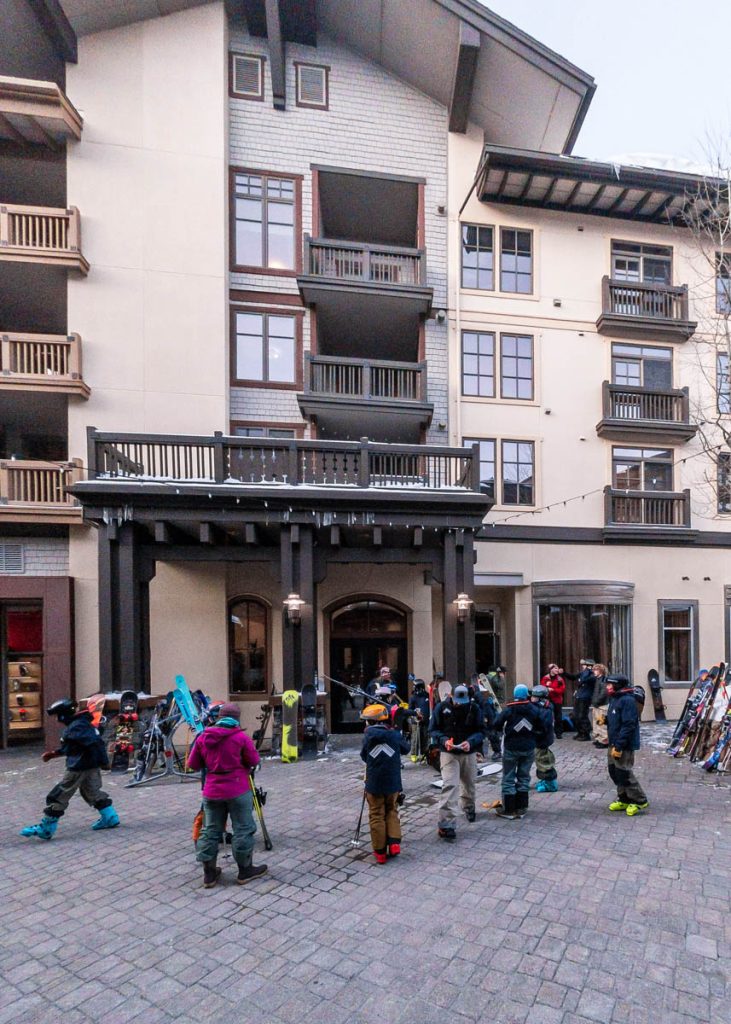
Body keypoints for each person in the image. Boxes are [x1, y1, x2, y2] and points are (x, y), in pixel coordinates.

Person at [187, 702, 267, 888]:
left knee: (210, 830)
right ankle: (245, 870)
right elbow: (254, 760)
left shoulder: (203, 737)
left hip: (212, 791)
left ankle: (209, 874)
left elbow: (193, 764)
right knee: (243, 828)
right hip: (238, 789)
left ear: (219, 717)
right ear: (237, 719)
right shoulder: (241, 737)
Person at [21, 698, 120, 840]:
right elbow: (75, 746)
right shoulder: (82, 723)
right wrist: (55, 754)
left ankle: (46, 828)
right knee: (91, 791)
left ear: (64, 714)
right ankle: (110, 817)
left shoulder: (77, 726)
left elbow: (94, 744)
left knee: (59, 794)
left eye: (58, 716)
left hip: (78, 766)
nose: (57, 720)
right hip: (90, 765)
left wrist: (104, 762)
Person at [429, 683, 484, 841]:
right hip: (448, 753)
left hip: (468, 752)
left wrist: (471, 742)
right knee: (450, 785)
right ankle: (446, 825)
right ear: (451, 696)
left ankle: (469, 807)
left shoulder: (474, 708)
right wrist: (444, 740)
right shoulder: (441, 708)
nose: (460, 704)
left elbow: (481, 730)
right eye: (457, 701)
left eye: (463, 701)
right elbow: (433, 729)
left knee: (469, 783)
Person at [360, 703, 411, 864]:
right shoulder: (394, 734)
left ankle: (380, 852)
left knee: (376, 814)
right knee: (392, 810)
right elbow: (406, 749)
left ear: (370, 721)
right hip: (393, 782)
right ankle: (394, 844)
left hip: (374, 782)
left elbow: (364, 756)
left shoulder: (368, 736)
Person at [492, 684, 547, 820]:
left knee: (508, 778)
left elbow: (496, 724)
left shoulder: (509, 709)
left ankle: (509, 810)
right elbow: (542, 728)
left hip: (511, 748)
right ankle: (522, 808)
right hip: (528, 748)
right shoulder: (534, 709)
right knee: (524, 777)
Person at [606, 674, 649, 817]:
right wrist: (605, 720)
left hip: (623, 744)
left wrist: (619, 746)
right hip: (614, 742)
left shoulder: (627, 700)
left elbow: (629, 725)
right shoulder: (615, 698)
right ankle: (624, 798)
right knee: (614, 771)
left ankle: (639, 800)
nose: (607, 687)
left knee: (623, 773)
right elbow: (616, 717)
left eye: (610, 684)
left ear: (617, 685)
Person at [531, 685, 558, 792]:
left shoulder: (544, 709)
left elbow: (542, 726)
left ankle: (550, 784)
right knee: (540, 759)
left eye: (534, 697)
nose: (531, 698)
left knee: (543, 761)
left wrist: (534, 731)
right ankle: (545, 780)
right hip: (541, 739)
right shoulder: (541, 707)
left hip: (542, 739)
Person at [568, 658, 595, 741]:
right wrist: (563, 673)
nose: (582, 667)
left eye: (584, 665)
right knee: (574, 715)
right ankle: (580, 732)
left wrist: (588, 671)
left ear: (589, 666)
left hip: (585, 698)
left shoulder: (591, 674)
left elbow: (585, 679)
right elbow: (573, 677)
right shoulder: (583, 673)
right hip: (579, 696)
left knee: (582, 716)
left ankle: (586, 734)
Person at [541, 664, 566, 738]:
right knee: (547, 716)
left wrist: (553, 690)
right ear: (551, 669)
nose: (557, 670)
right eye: (555, 668)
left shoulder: (560, 679)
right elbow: (542, 687)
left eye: (557, 668)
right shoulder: (545, 678)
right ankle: (547, 732)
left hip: (557, 700)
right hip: (548, 700)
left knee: (558, 717)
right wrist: (547, 688)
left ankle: (559, 733)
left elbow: (562, 689)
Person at [408, 679, 430, 762]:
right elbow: (410, 709)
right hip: (416, 721)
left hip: (426, 720)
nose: (413, 687)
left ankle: (424, 754)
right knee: (415, 737)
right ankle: (414, 754)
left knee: (425, 737)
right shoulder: (413, 697)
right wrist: (415, 715)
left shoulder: (427, 696)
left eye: (415, 686)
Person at [591, 663, 609, 748]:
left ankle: (604, 741)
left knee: (602, 724)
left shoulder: (604, 680)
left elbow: (603, 693)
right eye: (594, 669)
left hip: (602, 706)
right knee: (597, 723)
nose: (594, 671)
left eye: (596, 670)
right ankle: (598, 739)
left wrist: (596, 702)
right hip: (597, 705)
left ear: (601, 671)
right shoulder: (598, 679)